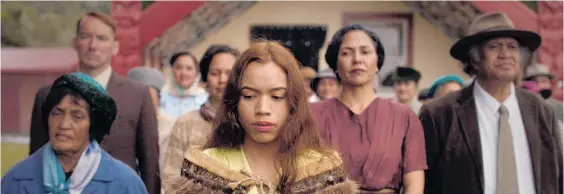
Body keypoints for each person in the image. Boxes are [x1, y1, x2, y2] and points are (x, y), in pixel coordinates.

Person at [165, 40, 357, 193]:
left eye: (277, 96)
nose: (263, 109)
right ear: (234, 102)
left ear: (294, 102)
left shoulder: (320, 169)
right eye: (249, 96)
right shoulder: (207, 168)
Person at [420, 12, 562, 194]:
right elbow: (422, 183)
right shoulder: (439, 114)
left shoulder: (541, 110)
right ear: (474, 59)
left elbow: (557, 178)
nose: (505, 54)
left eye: (512, 47)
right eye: (494, 46)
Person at [28, 12, 160, 194]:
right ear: (75, 43)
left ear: (115, 47)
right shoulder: (47, 95)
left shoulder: (138, 95)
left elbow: (150, 163)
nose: (93, 45)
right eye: (85, 36)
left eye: (102, 38)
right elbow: (35, 161)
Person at [312, 24, 427, 194]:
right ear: (335, 64)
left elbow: (414, 185)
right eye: (346, 53)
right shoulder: (311, 115)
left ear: (377, 62)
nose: (357, 59)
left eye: (365, 52)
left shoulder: (404, 117)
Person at [2, 73, 147, 194]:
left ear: (93, 125)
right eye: (57, 113)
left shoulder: (125, 184)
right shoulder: (16, 180)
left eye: (77, 116)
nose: (64, 125)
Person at [162, 44, 240, 190]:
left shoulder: (248, 123)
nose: (222, 79)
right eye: (215, 73)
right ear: (205, 78)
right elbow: (170, 176)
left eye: (229, 73)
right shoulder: (186, 123)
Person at [160, 52, 209, 117]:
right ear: (172, 69)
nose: (183, 73)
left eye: (189, 68)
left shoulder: (206, 99)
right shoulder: (161, 96)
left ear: (197, 72)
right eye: (178, 67)